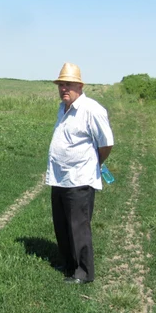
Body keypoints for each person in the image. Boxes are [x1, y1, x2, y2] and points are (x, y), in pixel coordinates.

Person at [46, 62, 114, 284]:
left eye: (69, 84)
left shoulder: (92, 110)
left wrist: (94, 163)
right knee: (62, 224)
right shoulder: (63, 108)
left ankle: (84, 272)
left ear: (80, 86)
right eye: (61, 84)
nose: (64, 88)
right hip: (60, 177)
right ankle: (68, 263)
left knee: (78, 226)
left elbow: (106, 144)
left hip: (80, 178)